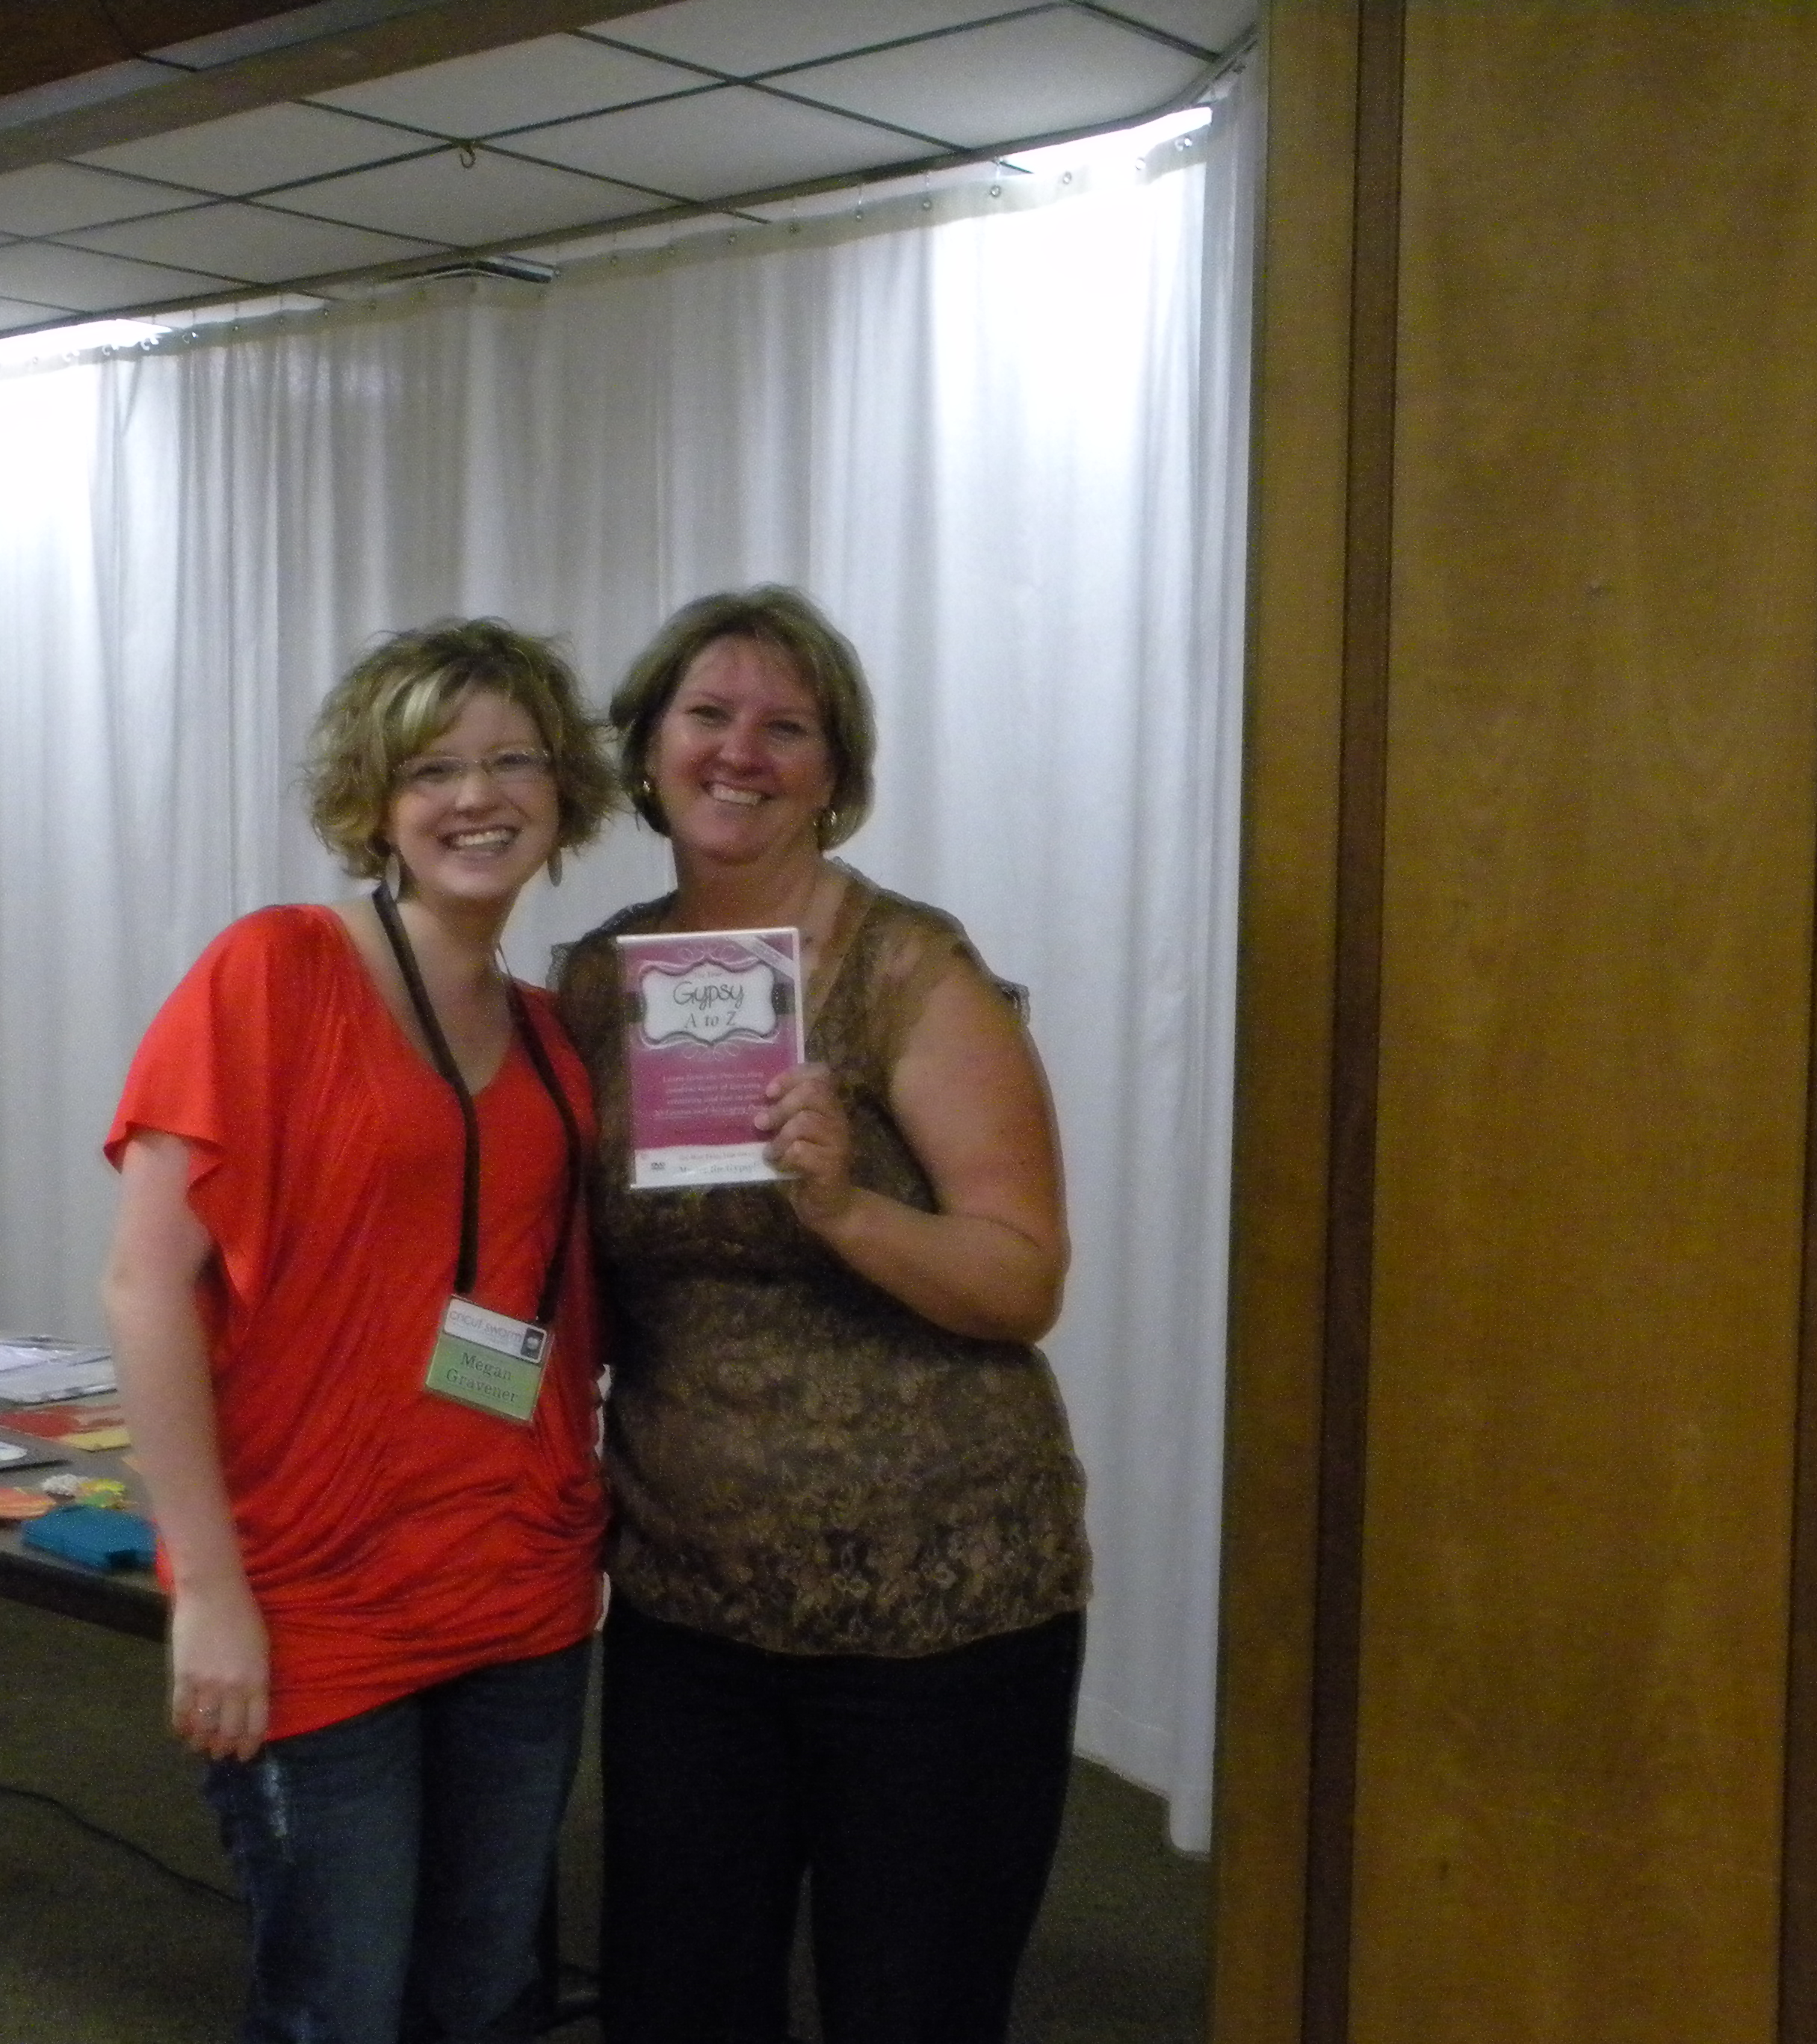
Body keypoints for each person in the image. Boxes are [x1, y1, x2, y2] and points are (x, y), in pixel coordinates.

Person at [553, 586, 1092, 2044]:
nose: (741, 753)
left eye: (785, 728)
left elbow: (1023, 1278)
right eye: (708, 716)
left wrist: (848, 1207)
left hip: (937, 1615)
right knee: (679, 2005)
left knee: (910, 2007)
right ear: (648, 748)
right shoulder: (597, 982)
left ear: (834, 773)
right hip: (689, 1606)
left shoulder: (911, 968)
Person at [101, 619, 619, 2044]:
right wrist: (209, 1589)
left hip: (518, 1584)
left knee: (486, 1994)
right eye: (433, 768)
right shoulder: (275, 970)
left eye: (514, 761)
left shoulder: (554, 1033)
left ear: (563, 791)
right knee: (340, 2005)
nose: (478, 797)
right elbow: (145, 1286)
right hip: (315, 1592)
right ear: (375, 803)